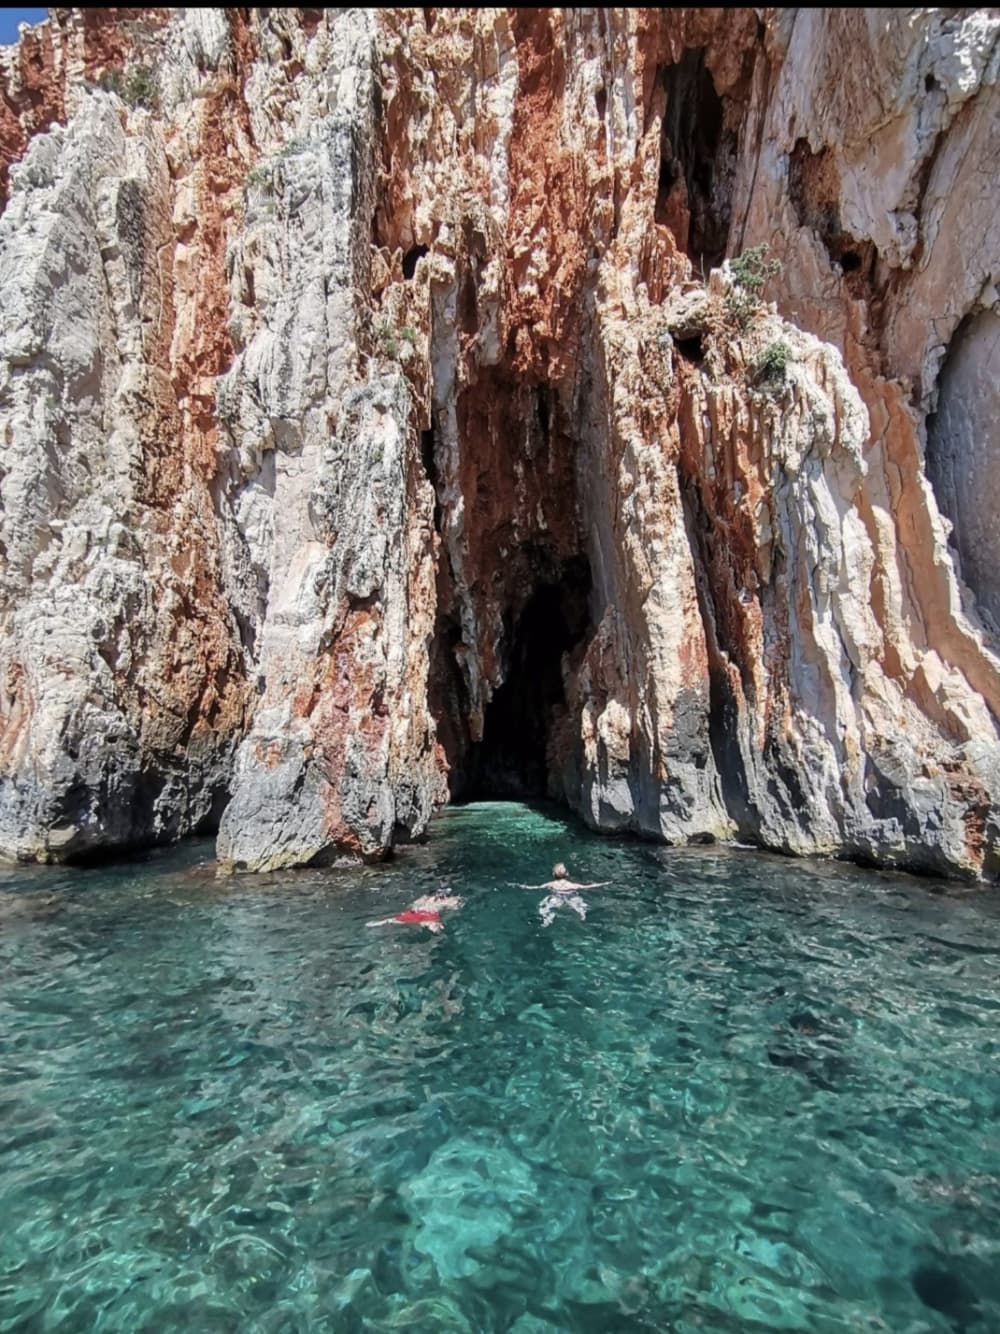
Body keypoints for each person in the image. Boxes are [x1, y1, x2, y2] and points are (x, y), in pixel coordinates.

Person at [514, 863, 610, 927]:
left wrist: (522, 886)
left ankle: (547, 919)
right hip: (572, 896)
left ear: (553, 874)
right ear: (567, 874)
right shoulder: (573, 885)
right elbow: (588, 886)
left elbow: (536, 887)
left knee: (546, 905)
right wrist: (604, 883)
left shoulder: (551, 884)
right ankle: (582, 914)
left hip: (556, 897)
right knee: (579, 904)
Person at [366, 890, 463, 935]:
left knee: (391, 920)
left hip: (418, 912)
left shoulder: (426, 899)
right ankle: (436, 929)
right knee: (435, 927)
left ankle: (379, 923)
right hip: (426, 914)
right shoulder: (443, 901)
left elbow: (414, 905)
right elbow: (455, 904)